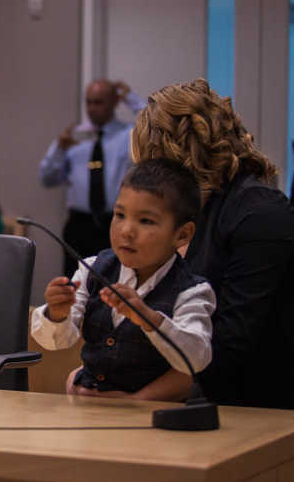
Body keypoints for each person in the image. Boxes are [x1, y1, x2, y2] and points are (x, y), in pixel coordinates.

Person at [131, 78, 294, 409]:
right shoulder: (189, 211)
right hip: (179, 394)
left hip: (252, 407)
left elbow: (228, 348)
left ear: (166, 152)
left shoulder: (261, 214)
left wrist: (134, 402)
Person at [31, 159, 215, 401]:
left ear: (182, 234)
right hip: (90, 409)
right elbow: (58, 342)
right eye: (119, 215)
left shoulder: (192, 290)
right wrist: (57, 313)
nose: (126, 230)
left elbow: (197, 357)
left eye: (146, 221)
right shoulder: (93, 268)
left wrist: (149, 319)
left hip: (156, 419)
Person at [39, 80, 145, 276]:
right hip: (79, 225)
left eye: (99, 102)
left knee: (116, 280)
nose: (92, 109)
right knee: (74, 285)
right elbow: (47, 178)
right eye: (88, 102)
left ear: (114, 102)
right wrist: (59, 149)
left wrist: (131, 99)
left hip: (114, 221)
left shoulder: (128, 135)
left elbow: (154, 123)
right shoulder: (75, 137)